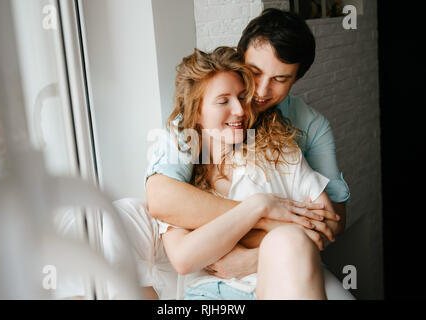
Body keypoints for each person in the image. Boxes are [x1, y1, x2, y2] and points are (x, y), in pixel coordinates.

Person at [145, 8, 349, 286]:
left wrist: (256, 257)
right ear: (241, 58)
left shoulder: (308, 129)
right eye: (255, 72)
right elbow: (162, 199)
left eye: (280, 79)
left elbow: (330, 222)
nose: (263, 91)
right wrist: (265, 215)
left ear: (297, 79)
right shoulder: (195, 121)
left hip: (291, 264)